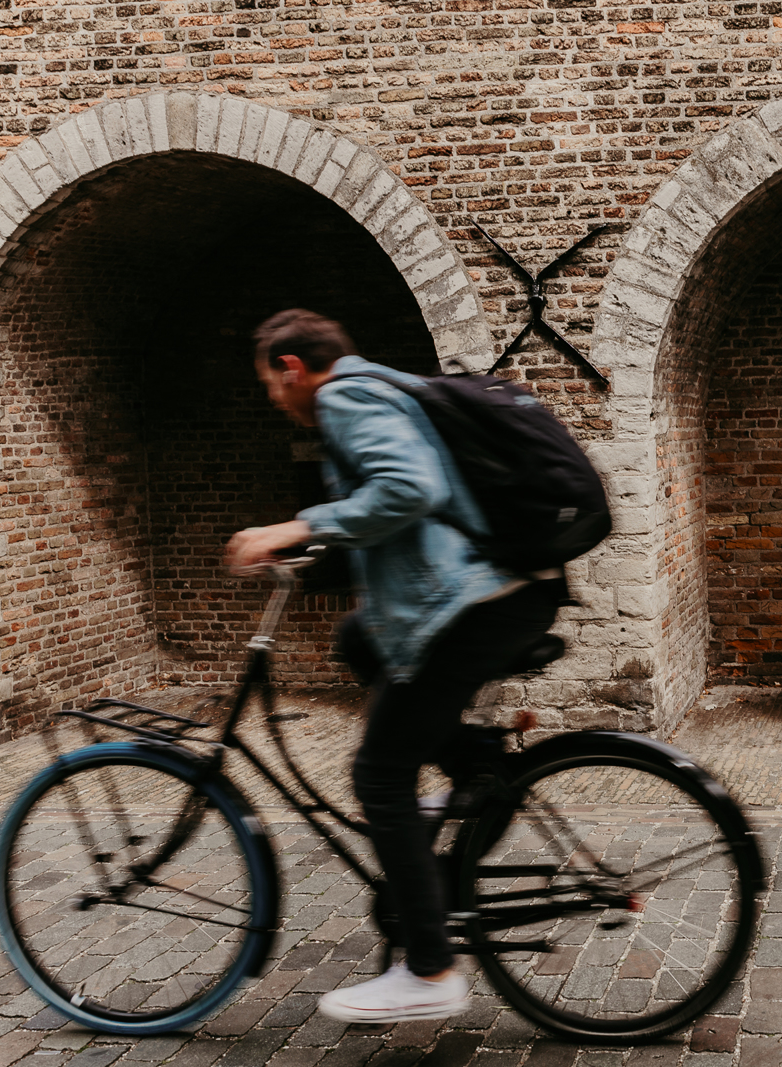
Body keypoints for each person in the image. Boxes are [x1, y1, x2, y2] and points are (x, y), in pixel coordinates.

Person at [226, 309, 563, 1022]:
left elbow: (410, 490)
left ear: (291, 367)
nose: (274, 399)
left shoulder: (347, 397)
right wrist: (315, 546)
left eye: (269, 385)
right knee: (358, 639)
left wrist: (298, 524)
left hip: (474, 602)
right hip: (495, 593)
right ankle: (475, 771)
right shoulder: (380, 386)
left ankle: (430, 970)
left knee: (379, 775)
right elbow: (401, 506)